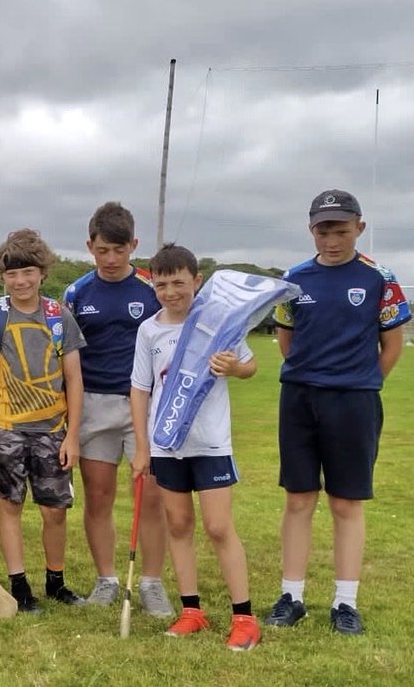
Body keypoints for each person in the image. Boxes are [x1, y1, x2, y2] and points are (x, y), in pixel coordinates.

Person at [264, 189, 411, 635]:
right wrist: (308, 374)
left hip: (354, 401)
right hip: (300, 399)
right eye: (323, 230)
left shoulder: (379, 278)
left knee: (346, 502)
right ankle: (292, 596)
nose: (332, 239)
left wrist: (361, 381)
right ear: (311, 230)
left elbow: (392, 344)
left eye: (342, 230)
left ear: (359, 228)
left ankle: (345, 603)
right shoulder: (293, 279)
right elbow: (286, 338)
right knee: (298, 498)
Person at [129, 243, 261, 650]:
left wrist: (235, 368)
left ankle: (244, 618)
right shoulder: (149, 329)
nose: (170, 292)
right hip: (166, 445)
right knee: (180, 525)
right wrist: (142, 446)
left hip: (210, 443)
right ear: (152, 285)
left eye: (179, 283)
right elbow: (140, 389)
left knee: (219, 527)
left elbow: (250, 365)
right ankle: (192, 612)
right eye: (162, 284)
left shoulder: (217, 322)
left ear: (197, 281)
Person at [62, 202, 173, 616]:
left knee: (151, 498)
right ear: (89, 246)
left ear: (134, 246)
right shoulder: (77, 293)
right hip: (92, 405)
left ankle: (152, 583)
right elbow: (65, 357)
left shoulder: (149, 291)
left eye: (119, 250)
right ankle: (107, 579)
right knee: (99, 496)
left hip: (142, 405)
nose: (110, 259)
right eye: (102, 250)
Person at [0, 228, 86, 613]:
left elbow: (74, 378)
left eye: (28, 273)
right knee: (10, 504)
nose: (20, 281)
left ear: (42, 272)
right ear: (2, 276)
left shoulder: (59, 316)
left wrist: (72, 436)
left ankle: (56, 580)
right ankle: (19, 585)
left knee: (54, 510)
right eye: (11, 274)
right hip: (7, 427)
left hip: (53, 430)